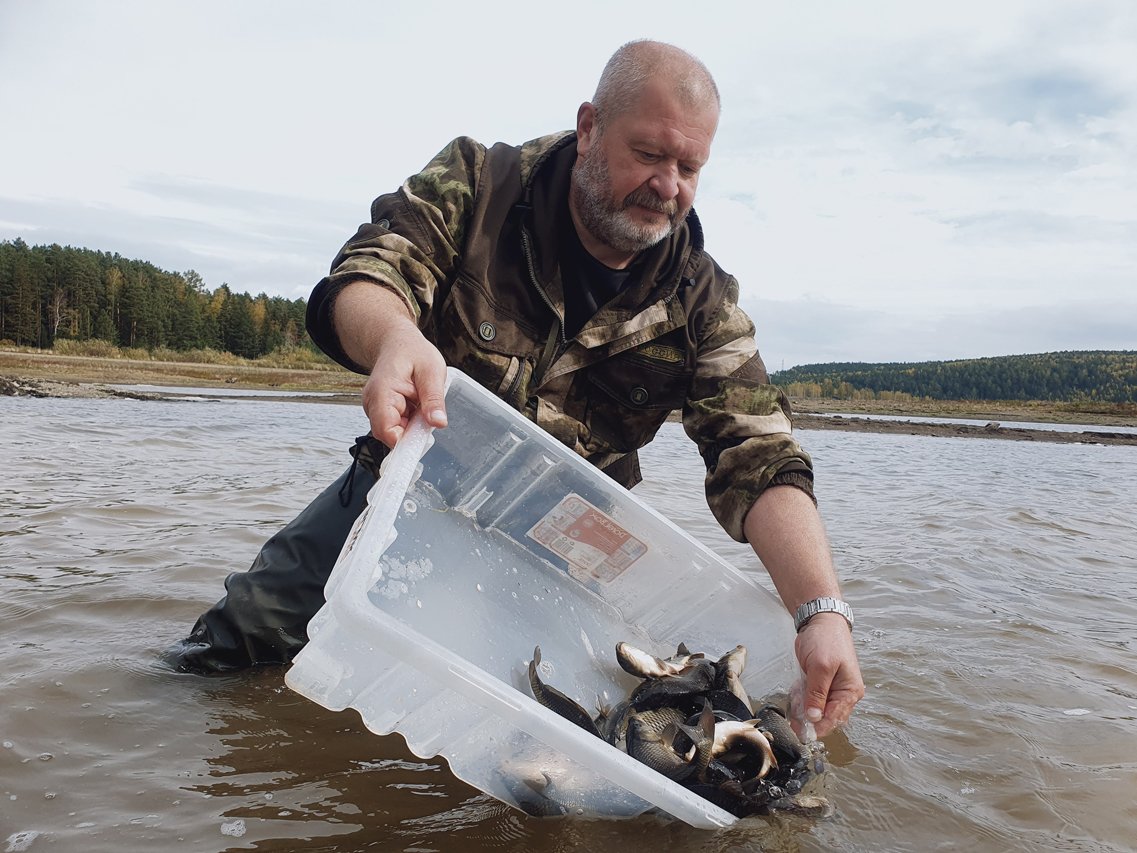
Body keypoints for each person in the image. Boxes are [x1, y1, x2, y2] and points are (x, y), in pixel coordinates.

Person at [171, 40, 864, 737]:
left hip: (565, 549)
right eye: (649, 154)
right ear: (589, 127)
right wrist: (396, 338)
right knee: (235, 646)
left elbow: (759, 454)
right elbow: (369, 275)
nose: (667, 185)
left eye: (689, 167)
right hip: (408, 488)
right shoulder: (478, 182)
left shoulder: (701, 300)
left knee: (554, 738)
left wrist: (820, 611)